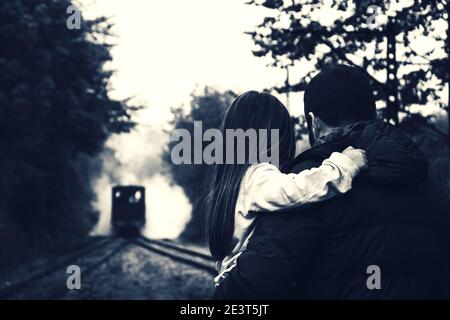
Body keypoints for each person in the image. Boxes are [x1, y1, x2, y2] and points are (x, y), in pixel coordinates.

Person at [215, 65, 450, 299]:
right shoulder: (431, 189)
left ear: (313, 122)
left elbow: (253, 286)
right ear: (372, 115)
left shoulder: (312, 185)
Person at [206, 91, 367, 287]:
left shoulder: (233, 181)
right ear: (276, 136)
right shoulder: (257, 176)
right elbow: (299, 190)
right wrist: (344, 165)